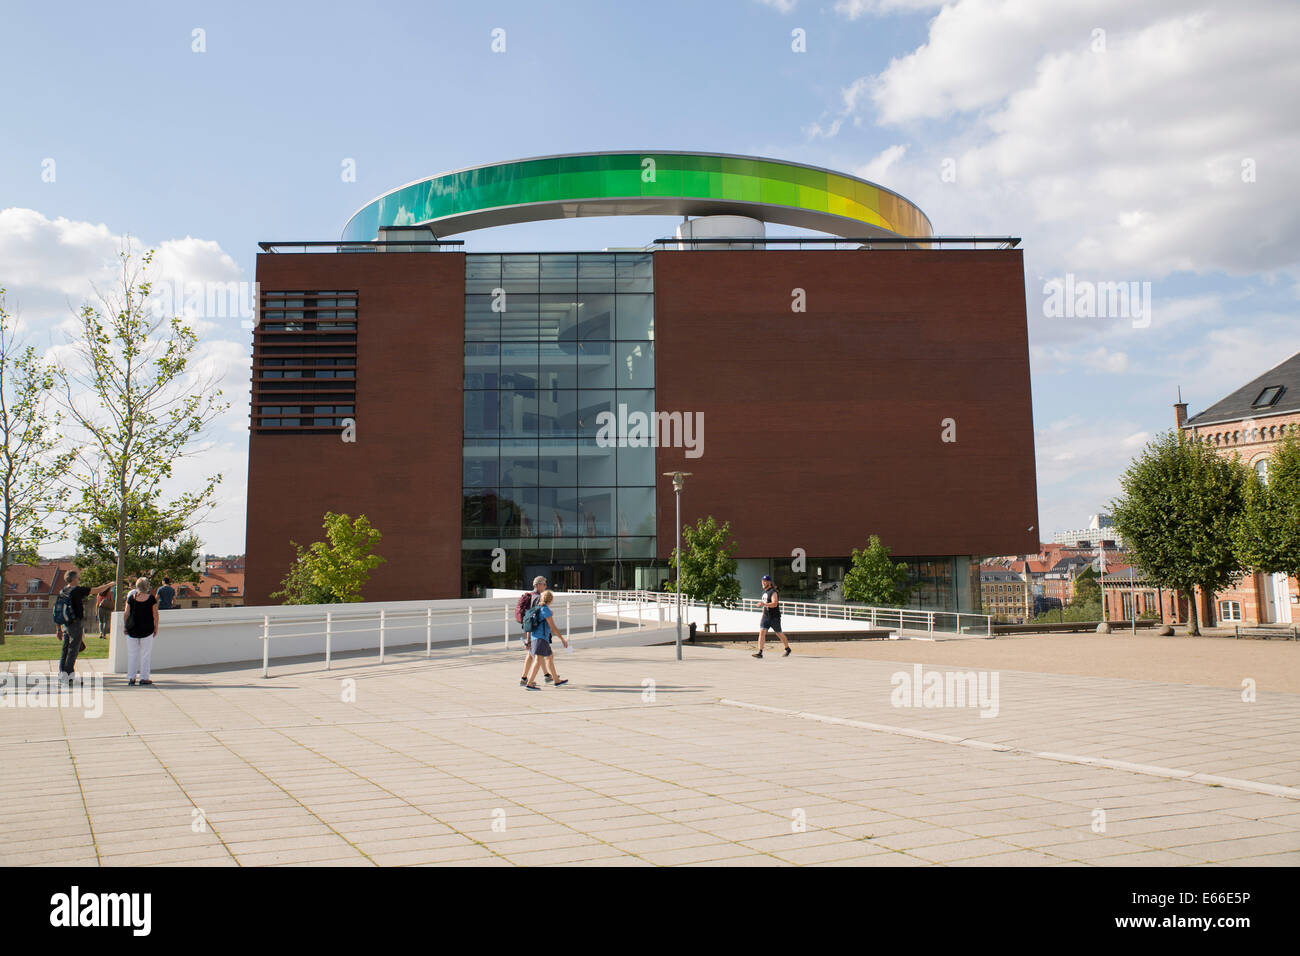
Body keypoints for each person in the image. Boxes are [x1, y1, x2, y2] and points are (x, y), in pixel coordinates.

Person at [524, 590, 568, 690]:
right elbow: (553, 626)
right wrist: (562, 639)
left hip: (536, 637)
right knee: (539, 660)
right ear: (551, 599)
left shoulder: (539, 608)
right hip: (541, 638)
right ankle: (530, 683)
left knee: (550, 656)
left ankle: (556, 680)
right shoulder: (545, 610)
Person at [57, 570, 93, 684]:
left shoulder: (62, 591)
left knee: (65, 650)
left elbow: (57, 610)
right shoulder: (76, 590)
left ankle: (62, 675)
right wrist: (110, 584)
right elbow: (94, 590)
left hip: (65, 624)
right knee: (73, 650)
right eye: (78, 577)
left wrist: (58, 628)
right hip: (75, 624)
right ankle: (69, 677)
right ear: (74, 579)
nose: (79, 579)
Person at [124, 577, 160, 686]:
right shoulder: (151, 599)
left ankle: (131, 677)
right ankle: (144, 677)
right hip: (147, 629)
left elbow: (126, 613)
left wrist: (126, 626)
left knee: (132, 654)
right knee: (145, 655)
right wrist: (156, 627)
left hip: (133, 629)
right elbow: (155, 615)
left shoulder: (131, 598)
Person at [517, 575, 553, 686]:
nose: (546, 586)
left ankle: (546, 676)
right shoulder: (538, 598)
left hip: (534, 630)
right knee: (539, 655)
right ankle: (529, 680)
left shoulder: (531, 596)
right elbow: (536, 616)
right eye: (544, 584)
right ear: (538, 585)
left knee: (536, 654)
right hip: (538, 631)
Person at [753, 574, 791, 659]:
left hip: (774, 617)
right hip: (766, 617)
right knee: (762, 632)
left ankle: (787, 648)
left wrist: (763, 604)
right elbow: (765, 607)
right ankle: (760, 652)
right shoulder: (764, 593)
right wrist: (762, 615)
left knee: (779, 633)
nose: (763, 583)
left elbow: (774, 604)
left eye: (765, 581)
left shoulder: (773, 592)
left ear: (769, 582)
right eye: (762, 581)